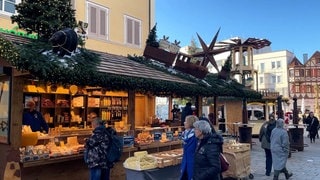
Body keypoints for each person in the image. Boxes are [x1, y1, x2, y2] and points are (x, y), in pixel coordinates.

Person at [180, 115, 198, 180]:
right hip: (185, 162)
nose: (184, 123)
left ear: (190, 123)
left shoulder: (196, 136)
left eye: (186, 121)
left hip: (193, 163)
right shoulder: (185, 134)